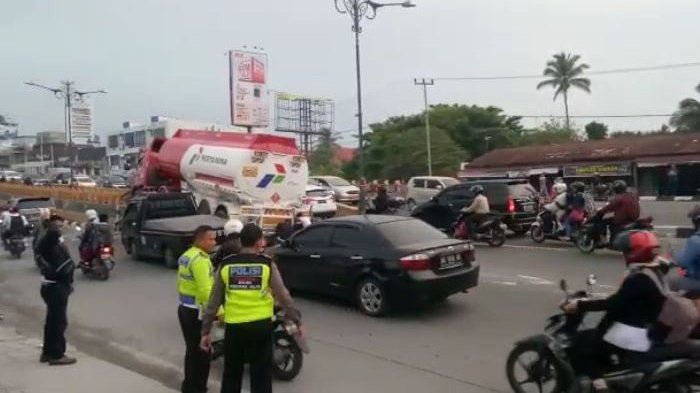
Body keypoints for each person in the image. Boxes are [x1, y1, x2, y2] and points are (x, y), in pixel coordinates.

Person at [200, 223, 301, 393]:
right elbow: (283, 296)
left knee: (231, 375)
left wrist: (205, 332)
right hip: (260, 327)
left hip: (235, 328)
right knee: (261, 376)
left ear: (241, 241)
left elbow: (213, 303)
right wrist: (297, 320)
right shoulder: (267, 265)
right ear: (258, 242)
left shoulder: (226, 265)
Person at [563, 230, 669, 392]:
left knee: (577, 345)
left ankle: (599, 384)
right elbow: (624, 298)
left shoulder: (639, 279)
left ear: (636, 252)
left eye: (627, 251)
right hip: (648, 327)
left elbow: (612, 303)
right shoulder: (656, 271)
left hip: (632, 334)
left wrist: (580, 305)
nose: (625, 255)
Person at [177, 225, 217, 393]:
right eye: (211, 239)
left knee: (192, 351)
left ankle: (188, 386)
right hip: (196, 312)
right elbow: (205, 291)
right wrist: (218, 313)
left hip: (184, 308)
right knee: (203, 353)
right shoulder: (200, 260)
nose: (214, 242)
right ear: (200, 240)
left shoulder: (186, 256)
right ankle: (199, 388)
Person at [36, 214, 77, 365]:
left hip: (56, 286)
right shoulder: (48, 241)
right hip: (55, 287)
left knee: (52, 322)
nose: (60, 229)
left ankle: (47, 352)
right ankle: (57, 355)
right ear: (50, 228)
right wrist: (49, 222)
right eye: (57, 226)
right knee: (58, 323)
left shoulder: (52, 242)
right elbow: (52, 234)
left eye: (61, 226)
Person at [595, 180, 640, 245]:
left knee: (602, 223)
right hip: (633, 219)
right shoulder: (631, 196)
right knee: (611, 222)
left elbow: (609, 207)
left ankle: (604, 241)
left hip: (622, 219)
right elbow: (618, 207)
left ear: (616, 189)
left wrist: (601, 212)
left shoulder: (619, 197)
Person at [669, 206, 700, 292]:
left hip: (697, 281)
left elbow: (682, 262)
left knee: (671, 281)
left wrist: (672, 253)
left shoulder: (695, 240)